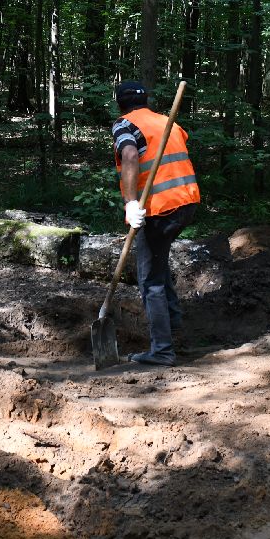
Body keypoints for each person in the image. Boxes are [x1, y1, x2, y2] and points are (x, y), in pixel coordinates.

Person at [112, 80, 202, 366]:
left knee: (150, 280)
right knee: (158, 267)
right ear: (146, 99)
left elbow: (129, 155)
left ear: (119, 104)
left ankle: (162, 350)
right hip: (187, 203)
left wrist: (130, 202)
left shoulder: (124, 125)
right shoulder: (167, 122)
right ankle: (175, 331)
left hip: (161, 208)